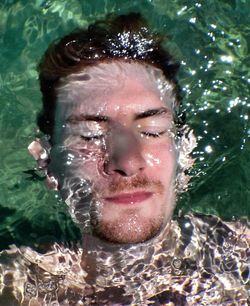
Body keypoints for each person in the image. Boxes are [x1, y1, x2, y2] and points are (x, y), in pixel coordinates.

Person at [0, 13, 249, 305]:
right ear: (46, 162)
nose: (128, 162)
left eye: (153, 131)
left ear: (188, 152)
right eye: (90, 134)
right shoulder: (12, 286)